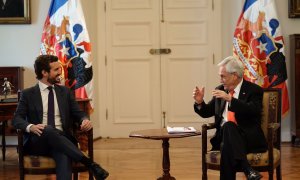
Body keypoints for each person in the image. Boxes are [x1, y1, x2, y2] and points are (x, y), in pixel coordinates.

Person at [12, 55, 109, 180]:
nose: (60, 72)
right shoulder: (28, 94)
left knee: (63, 154)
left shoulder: (65, 92)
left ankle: (87, 162)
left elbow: (78, 113)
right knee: (47, 129)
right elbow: (17, 119)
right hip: (38, 142)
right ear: (45, 73)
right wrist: (30, 127)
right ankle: (89, 163)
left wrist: (84, 120)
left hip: (62, 142)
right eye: (56, 69)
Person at [193, 56, 267, 180]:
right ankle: (247, 169)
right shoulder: (220, 90)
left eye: (223, 76)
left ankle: (246, 168)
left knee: (226, 145)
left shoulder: (253, 90)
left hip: (247, 138)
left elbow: (253, 110)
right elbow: (207, 112)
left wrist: (231, 99)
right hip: (223, 135)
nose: (220, 80)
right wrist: (200, 102)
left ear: (234, 76)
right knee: (227, 127)